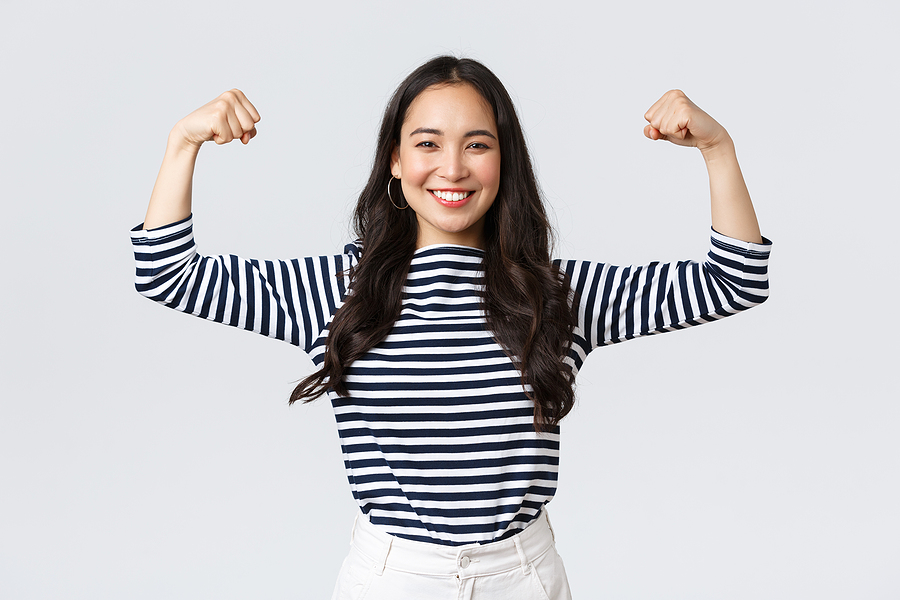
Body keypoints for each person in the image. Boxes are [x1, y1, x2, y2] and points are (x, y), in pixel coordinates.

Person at [132, 56, 770, 599]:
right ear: (395, 160)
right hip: (392, 579)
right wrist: (182, 142)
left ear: (503, 161)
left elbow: (734, 280)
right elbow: (168, 274)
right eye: (428, 143)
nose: (453, 168)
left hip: (522, 576)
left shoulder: (559, 292)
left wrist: (719, 149)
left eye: (477, 144)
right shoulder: (337, 288)